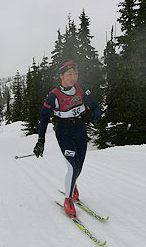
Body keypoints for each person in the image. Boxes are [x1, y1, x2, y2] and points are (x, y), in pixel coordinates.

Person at [33, 60, 100, 217]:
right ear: (61, 75)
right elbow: (43, 119)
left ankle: (72, 186)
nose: (73, 77)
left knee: (79, 166)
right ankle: (68, 200)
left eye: (75, 74)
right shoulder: (53, 96)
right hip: (64, 132)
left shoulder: (81, 89)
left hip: (80, 130)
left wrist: (96, 116)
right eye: (70, 74)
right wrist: (41, 140)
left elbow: (94, 105)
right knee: (72, 166)